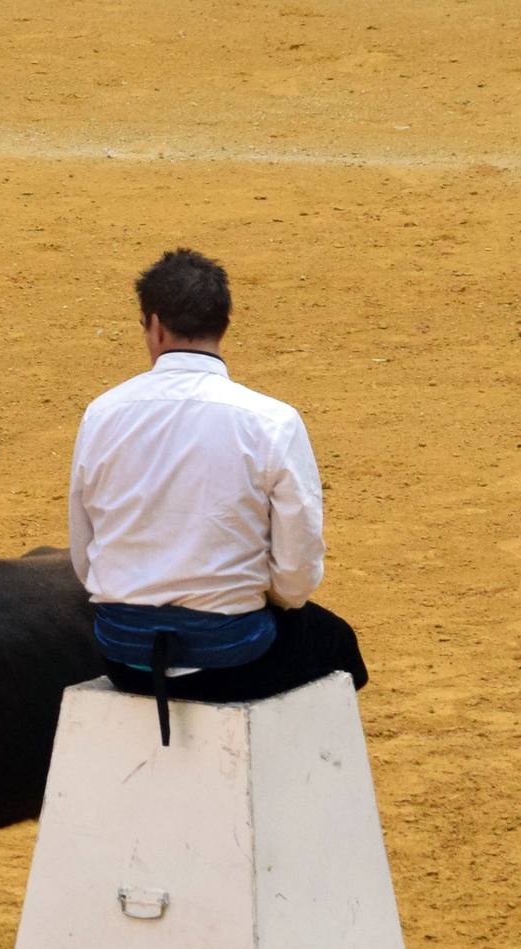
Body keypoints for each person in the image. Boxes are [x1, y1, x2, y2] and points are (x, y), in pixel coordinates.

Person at [68, 247, 367, 745]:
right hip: (233, 659)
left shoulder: (101, 414)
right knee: (337, 643)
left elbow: (85, 558)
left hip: (124, 655)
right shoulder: (271, 421)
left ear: (156, 327)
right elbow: (296, 576)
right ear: (223, 325)